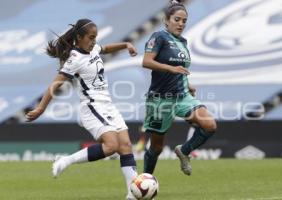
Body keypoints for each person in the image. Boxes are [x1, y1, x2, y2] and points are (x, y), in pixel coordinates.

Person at [26, 18, 138, 200]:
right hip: (92, 107)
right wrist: (40, 108)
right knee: (111, 146)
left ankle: (133, 195)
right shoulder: (75, 59)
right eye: (91, 37)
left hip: (108, 105)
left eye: (95, 37)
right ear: (79, 37)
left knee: (125, 146)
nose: (94, 41)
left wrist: (126, 44)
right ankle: (66, 160)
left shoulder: (92, 48)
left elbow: (106, 48)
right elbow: (55, 84)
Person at [142, 0, 217, 176]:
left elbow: (179, 70)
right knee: (157, 147)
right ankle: (145, 179)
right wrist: (171, 69)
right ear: (166, 20)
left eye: (184, 21)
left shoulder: (183, 42)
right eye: (177, 20)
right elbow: (146, 61)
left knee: (209, 125)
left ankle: (184, 151)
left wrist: (186, 83)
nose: (181, 24)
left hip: (182, 96)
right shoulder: (158, 37)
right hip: (161, 99)